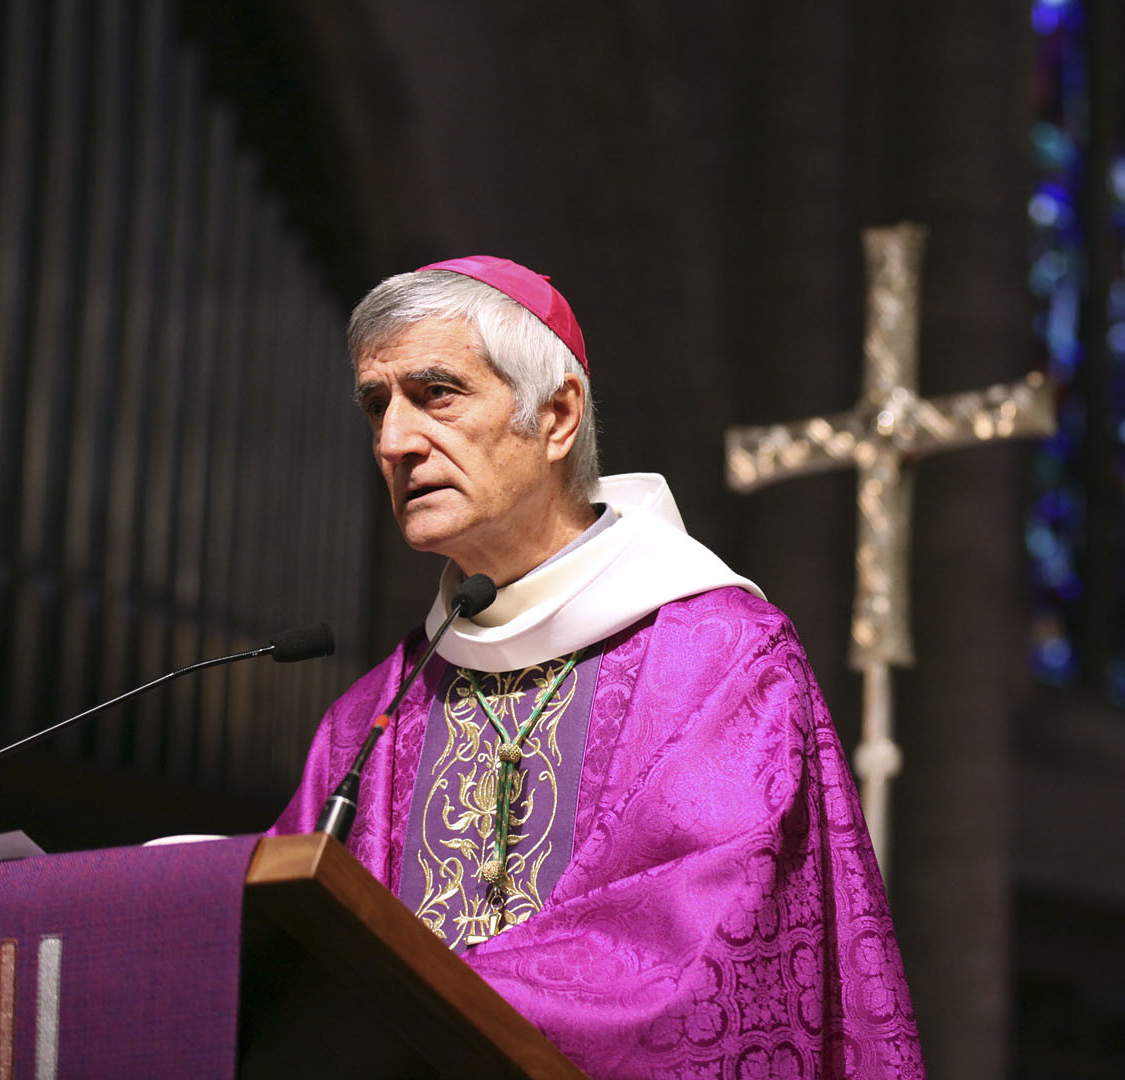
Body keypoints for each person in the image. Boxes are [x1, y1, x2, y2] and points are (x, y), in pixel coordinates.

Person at [271, 256, 922, 1079]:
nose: (394, 440)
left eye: (436, 393)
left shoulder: (723, 664)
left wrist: (412, 1001)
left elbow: (701, 964)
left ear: (556, 416)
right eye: (376, 405)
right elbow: (278, 952)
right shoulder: (372, 719)